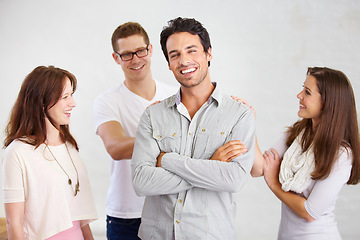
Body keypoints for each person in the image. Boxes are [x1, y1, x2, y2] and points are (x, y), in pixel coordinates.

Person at [131, 17, 255, 240]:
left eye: (192, 51)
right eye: (175, 55)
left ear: (208, 54)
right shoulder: (153, 115)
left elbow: (233, 180)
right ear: (169, 63)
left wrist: (167, 161)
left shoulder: (239, 114)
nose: (184, 61)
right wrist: (211, 167)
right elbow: (141, 182)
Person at [237, 67, 360, 239]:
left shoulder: (341, 154)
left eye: (307, 92)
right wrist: (249, 124)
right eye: (303, 88)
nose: (299, 95)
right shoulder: (297, 134)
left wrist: (274, 184)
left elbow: (310, 212)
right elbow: (258, 169)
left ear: (327, 102)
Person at [93, 22, 177, 240]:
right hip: (126, 215)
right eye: (127, 54)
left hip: (170, 209)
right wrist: (171, 140)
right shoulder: (107, 101)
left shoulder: (176, 95)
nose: (136, 59)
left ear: (150, 50)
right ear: (116, 58)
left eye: (140, 51)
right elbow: (116, 148)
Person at [2, 66, 98, 240]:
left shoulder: (68, 145)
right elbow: (13, 222)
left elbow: (81, 217)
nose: (73, 103)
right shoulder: (17, 152)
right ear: (42, 102)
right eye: (65, 97)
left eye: (72, 95)